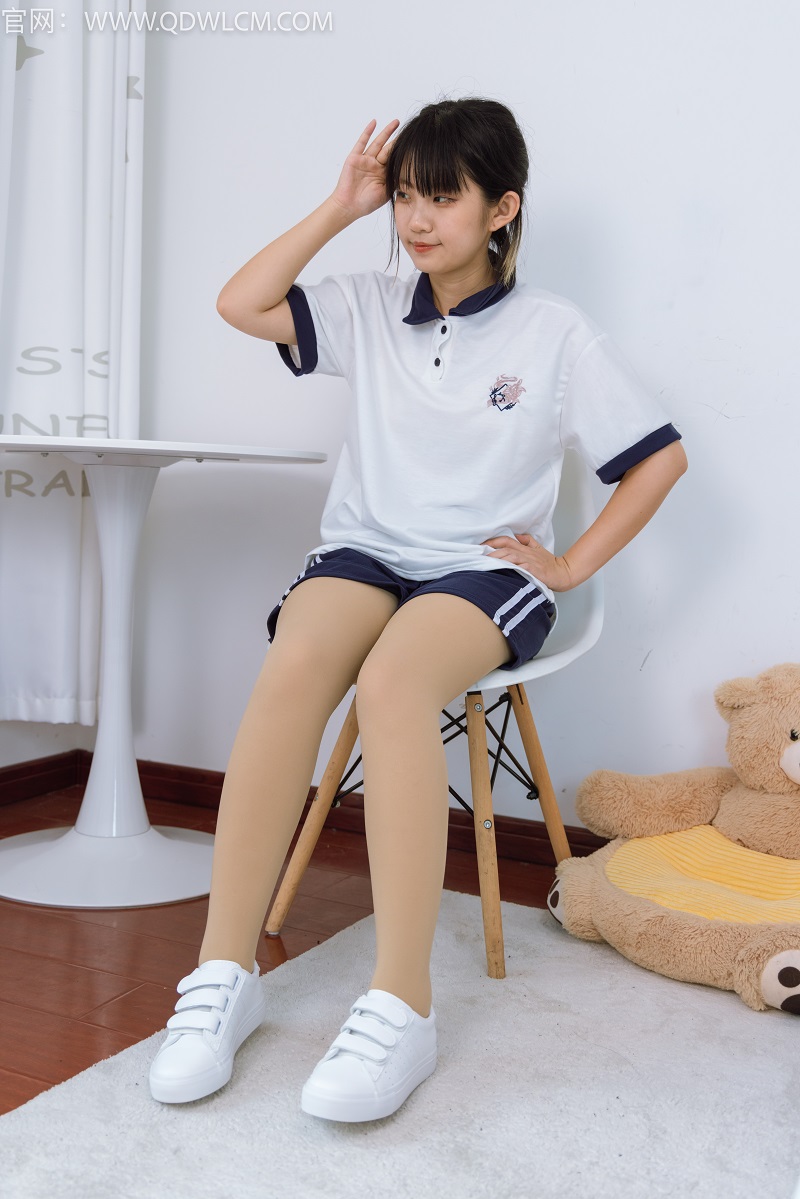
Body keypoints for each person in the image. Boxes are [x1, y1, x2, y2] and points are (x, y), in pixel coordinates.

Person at [148, 97, 688, 1121]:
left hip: (481, 572)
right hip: (367, 552)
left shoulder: (555, 331)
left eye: (441, 196)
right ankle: (223, 973)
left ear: (502, 208)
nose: (417, 218)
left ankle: (402, 1003)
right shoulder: (366, 304)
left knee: (393, 682)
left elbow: (658, 458)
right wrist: (339, 206)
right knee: (296, 661)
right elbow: (240, 302)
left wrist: (569, 564)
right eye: (405, 196)